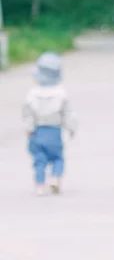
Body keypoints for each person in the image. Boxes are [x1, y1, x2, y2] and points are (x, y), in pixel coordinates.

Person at [23, 51, 77, 195]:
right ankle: (55, 178)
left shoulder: (32, 94)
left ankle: (40, 185)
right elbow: (68, 114)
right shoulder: (61, 94)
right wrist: (71, 128)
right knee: (57, 158)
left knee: (39, 160)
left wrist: (28, 129)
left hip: (38, 132)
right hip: (54, 132)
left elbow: (28, 114)